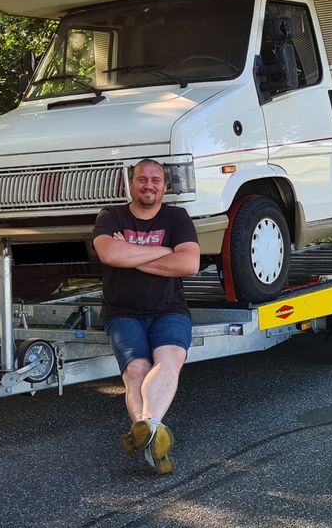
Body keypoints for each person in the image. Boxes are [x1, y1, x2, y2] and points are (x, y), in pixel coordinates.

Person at [92, 158, 200, 474]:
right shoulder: (111, 215)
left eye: (155, 180)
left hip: (169, 310)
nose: (148, 185)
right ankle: (154, 436)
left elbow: (190, 264)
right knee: (136, 369)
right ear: (132, 184)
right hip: (122, 313)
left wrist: (130, 256)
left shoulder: (176, 217)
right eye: (142, 179)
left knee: (169, 361)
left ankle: (145, 428)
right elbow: (109, 254)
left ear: (164, 186)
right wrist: (166, 251)